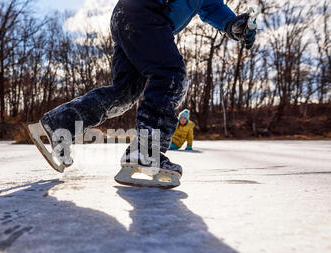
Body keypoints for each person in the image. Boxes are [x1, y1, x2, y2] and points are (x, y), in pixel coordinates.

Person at [29, 0, 256, 187]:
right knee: (171, 76)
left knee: (124, 93)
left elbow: (212, 6)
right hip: (146, 12)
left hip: (129, 17)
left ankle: (60, 123)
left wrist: (232, 24)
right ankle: (146, 152)